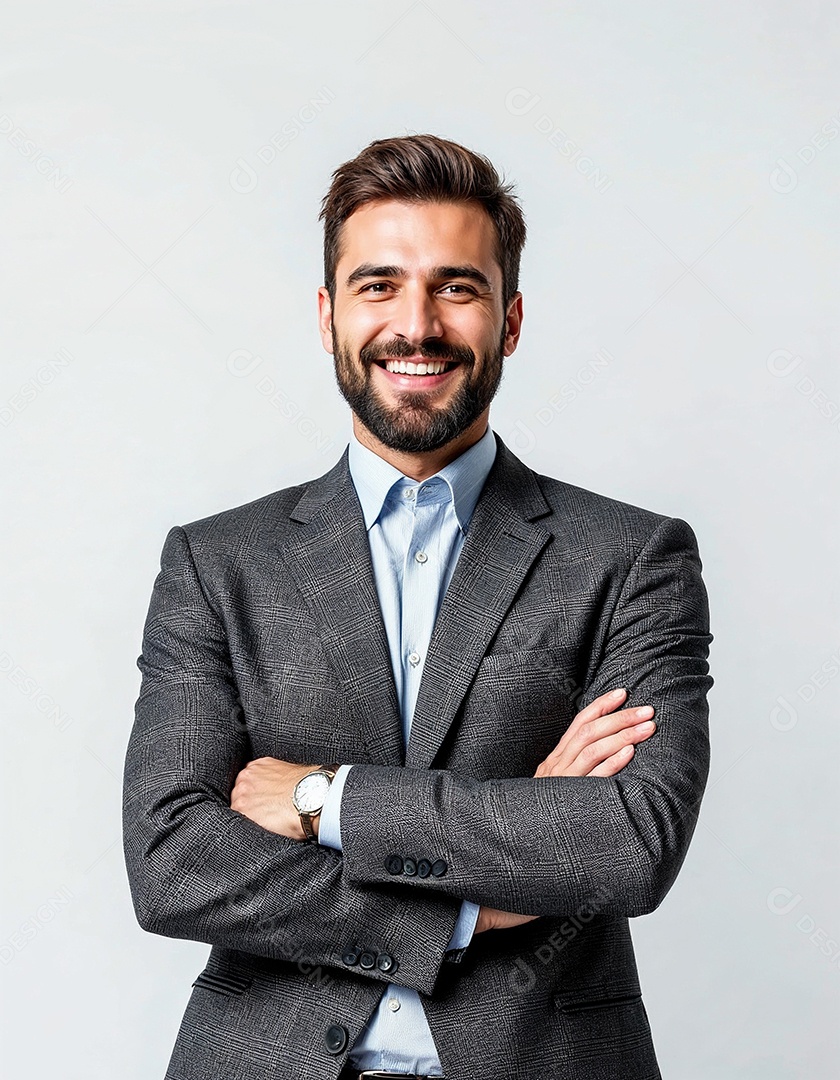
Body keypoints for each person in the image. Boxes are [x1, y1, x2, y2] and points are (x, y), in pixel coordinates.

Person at [122, 133, 713, 1080]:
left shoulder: (633, 557)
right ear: (327, 315)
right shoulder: (216, 563)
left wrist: (328, 801)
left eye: (457, 287)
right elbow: (173, 862)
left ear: (510, 320)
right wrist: (486, 888)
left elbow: (628, 842)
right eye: (378, 285)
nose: (418, 324)